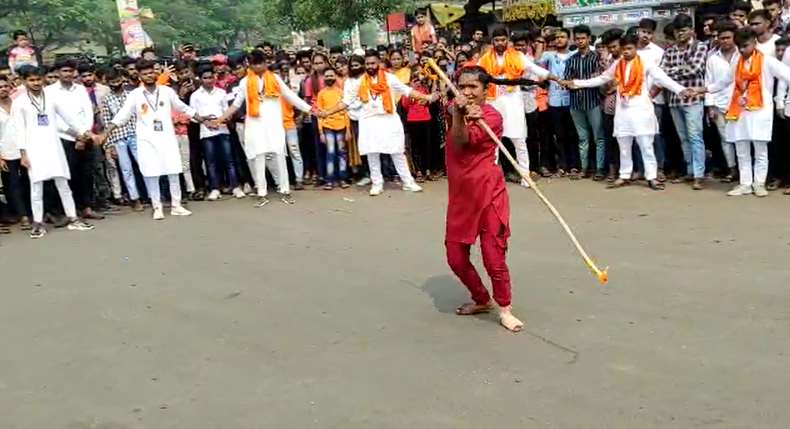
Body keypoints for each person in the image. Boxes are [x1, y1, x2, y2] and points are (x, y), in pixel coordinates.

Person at [444, 66, 523, 333]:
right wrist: (458, 112)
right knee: (455, 258)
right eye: (462, 86)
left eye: (473, 87)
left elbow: (463, 141)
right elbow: (453, 125)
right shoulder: (454, 109)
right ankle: (481, 299)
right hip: (461, 198)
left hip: (489, 194)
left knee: (493, 258)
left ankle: (505, 308)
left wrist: (468, 116)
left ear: (485, 90)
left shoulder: (492, 117)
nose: (467, 92)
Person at [566, 33, 693, 191]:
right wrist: (577, 83)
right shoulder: (618, 64)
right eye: (624, 49)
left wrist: (680, 90)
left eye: (629, 48)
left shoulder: (645, 62)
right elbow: (602, 78)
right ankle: (624, 175)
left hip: (641, 109)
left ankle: (651, 177)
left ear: (636, 48)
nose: (626, 52)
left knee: (646, 145)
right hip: (623, 110)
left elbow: (662, 78)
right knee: (624, 145)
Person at [102, 59, 211, 220]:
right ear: (139, 76)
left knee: (173, 171)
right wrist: (105, 133)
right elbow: (122, 116)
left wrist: (201, 119)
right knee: (151, 173)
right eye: (145, 74)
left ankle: (176, 205)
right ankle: (157, 206)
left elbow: (183, 108)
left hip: (167, 137)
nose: (149, 76)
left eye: (151, 72)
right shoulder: (135, 95)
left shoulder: (167, 91)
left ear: (156, 73)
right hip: (147, 140)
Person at [318, 50, 435, 196]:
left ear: (379, 63)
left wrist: (427, 97)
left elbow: (407, 91)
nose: (370, 66)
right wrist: (327, 112)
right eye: (367, 64)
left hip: (389, 119)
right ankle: (377, 183)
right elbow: (345, 102)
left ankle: (408, 182)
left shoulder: (389, 78)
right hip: (369, 121)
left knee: (397, 152)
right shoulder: (359, 82)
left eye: (373, 63)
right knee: (372, 153)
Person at [215, 50, 314, 207]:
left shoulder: (274, 78)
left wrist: (310, 109)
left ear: (265, 63)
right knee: (258, 157)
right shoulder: (245, 82)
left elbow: (290, 96)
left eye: (260, 63)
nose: (257, 67)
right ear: (250, 65)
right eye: (254, 64)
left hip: (274, 124)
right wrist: (220, 119)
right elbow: (236, 104)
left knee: (279, 155)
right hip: (255, 124)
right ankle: (261, 192)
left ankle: (285, 190)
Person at [700, 28, 790, 197]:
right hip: (740, 110)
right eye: (739, 46)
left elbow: (787, 75)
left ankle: (759, 183)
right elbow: (723, 82)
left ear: (754, 43)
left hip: (760, 110)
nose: (742, 50)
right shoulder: (737, 62)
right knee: (742, 149)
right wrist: (703, 90)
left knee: (760, 150)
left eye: (745, 45)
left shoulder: (767, 61)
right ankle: (745, 183)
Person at [8, 65, 96, 238]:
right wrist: (23, 154)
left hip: (54, 146)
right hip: (33, 148)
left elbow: (67, 117)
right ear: (24, 81)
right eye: (31, 80)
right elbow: (19, 130)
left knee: (63, 183)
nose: (36, 83)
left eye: (38, 79)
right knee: (36, 187)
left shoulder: (50, 97)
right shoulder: (19, 103)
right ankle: (38, 223)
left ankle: (73, 218)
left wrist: (83, 132)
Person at [478, 26, 554, 187]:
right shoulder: (485, 59)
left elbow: (535, 69)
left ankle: (525, 175)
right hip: (493, 102)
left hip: (513, 102)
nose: (500, 43)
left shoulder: (518, 56)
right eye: (497, 40)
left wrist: (555, 78)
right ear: (492, 41)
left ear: (507, 41)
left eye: (503, 40)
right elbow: (475, 73)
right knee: (493, 141)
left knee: (519, 139)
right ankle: (492, 177)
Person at [49, 58, 103, 219]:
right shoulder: (50, 91)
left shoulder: (80, 89)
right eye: (64, 71)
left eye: (71, 71)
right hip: (64, 137)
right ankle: (69, 210)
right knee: (68, 174)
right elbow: (55, 118)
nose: (68, 74)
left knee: (86, 173)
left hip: (85, 137)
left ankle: (87, 207)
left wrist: (84, 134)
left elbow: (88, 112)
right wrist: (76, 134)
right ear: (58, 72)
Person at [660, 14, 708, 190]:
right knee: (684, 138)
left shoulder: (700, 46)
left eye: (683, 30)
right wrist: (679, 70)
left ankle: (699, 174)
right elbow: (661, 73)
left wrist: (673, 71)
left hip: (693, 98)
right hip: (674, 100)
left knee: (695, 137)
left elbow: (695, 69)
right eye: (677, 31)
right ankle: (690, 170)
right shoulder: (669, 51)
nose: (679, 34)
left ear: (691, 30)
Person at [189, 65, 244, 201]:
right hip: (206, 133)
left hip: (223, 130)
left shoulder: (221, 92)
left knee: (229, 160)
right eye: (205, 78)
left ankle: (235, 186)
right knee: (211, 162)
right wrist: (205, 121)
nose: (209, 80)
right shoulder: (195, 96)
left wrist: (222, 120)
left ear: (214, 77)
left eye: (210, 77)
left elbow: (227, 111)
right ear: (200, 79)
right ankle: (215, 188)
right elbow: (192, 116)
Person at [565, 24, 607, 180]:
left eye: (583, 38)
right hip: (576, 104)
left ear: (589, 39)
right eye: (577, 38)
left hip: (594, 102)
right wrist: (572, 84)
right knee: (582, 138)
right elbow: (567, 82)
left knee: (599, 137)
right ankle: (584, 168)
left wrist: (576, 83)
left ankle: (600, 169)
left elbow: (601, 78)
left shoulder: (597, 57)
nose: (580, 41)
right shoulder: (571, 60)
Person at [99, 68, 144, 212]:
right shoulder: (106, 99)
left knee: (144, 164)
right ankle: (134, 198)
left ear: (122, 80)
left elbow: (139, 115)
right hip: (118, 137)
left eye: (117, 81)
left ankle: (152, 195)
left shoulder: (131, 95)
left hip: (135, 134)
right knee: (126, 169)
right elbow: (107, 122)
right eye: (112, 82)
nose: (115, 84)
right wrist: (109, 144)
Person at [705, 21, 740, 184]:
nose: (725, 41)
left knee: (742, 138)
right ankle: (732, 169)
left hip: (741, 104)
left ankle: (745, 170)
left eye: (728, 37)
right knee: (725, 139)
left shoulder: (742, 54)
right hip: (719, 104)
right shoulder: (712, 58)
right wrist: (710, 106)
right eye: (722, 38)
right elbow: (709, 82)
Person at [539, 28, 577, 178]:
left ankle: (574, 166)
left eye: (562, 37)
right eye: (557, 37)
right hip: (554, 101)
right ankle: (562, 166)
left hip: (572, 100)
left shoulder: (574, 55)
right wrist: (542, 41)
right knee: (559, 135)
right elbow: (536, 63)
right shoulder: (549, 55)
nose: (559, 39)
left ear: (569, 39)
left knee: (572, 134)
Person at [638, 18, 668, 182]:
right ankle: (641, 169)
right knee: (637, 136)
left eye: (649, 33)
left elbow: (661, 79)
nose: (645, 35)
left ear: (653, 34)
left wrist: (650, 95)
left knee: (655, 135)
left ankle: (659, 168)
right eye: (643, 31)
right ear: (638, 31)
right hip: (634, 101)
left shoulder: (658, 52)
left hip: (654, 100)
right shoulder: (631, 50)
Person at [0, 74, 32, 230]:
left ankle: (30, 212)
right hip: (6, 152)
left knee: (28, 181)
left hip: (25, 150)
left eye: (5, 86)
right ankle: (22, 215)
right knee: (12, 185)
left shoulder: (19, 104)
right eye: (0, 87)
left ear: (10, 87)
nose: (3, 89)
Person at [315, 68, 349, 190]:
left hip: (341, 126)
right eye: (327, 76)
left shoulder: (341, 92)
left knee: (341, 152)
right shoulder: (321, 93)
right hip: (327, 126)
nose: (329, 78)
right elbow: (319, 113)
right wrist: (321, 132)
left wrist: (348, 130)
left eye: (331, 75)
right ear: (323, 78)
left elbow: (346, 111)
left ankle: (343, 179)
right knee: (330, 152)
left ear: (335, 77)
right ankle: (329, 180)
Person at [401, 73, 433, 182]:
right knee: (415, 146)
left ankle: (428, 170)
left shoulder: (424, 90)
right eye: (414, 81)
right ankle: (418, 171)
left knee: (427, 145)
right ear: (410, 82)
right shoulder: (407, 92)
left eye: (418, 80)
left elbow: (429, 102)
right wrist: (412, 93)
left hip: (426, 119)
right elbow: (405, 105)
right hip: (413, 120)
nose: (417, 83)